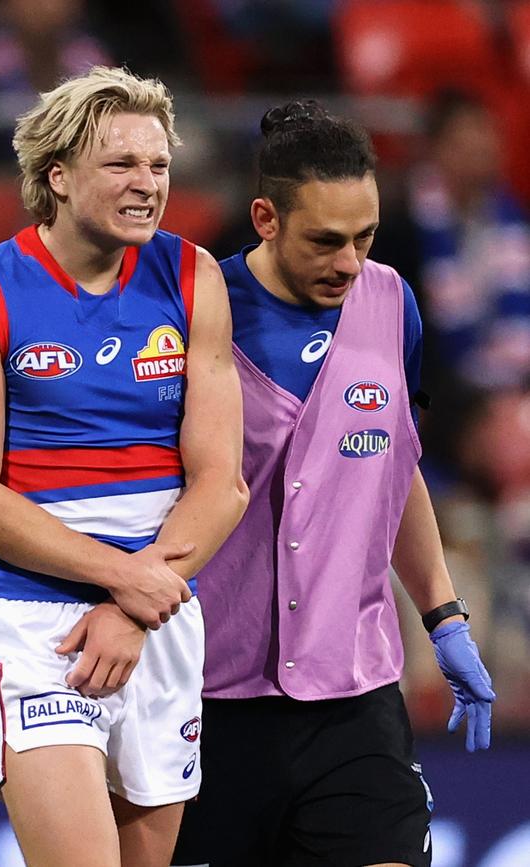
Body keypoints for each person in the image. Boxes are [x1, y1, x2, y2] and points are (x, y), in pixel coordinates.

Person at [0, 65, 248, 867]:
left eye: (159, 165)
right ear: (58, 177)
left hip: (161, 617)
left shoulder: (193, 275)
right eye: (122, 165)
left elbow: (223, 482)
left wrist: (137, 606)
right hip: (39, 626)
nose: (148, 184)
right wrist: (123, 581)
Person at [172, 100, 495, 867]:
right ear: (265, 218)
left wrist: (444, 616)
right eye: (326, 239)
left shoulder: (392, 303)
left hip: (354, 700)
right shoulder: (193, 316)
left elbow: (394, 468)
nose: (350, 262)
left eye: (366, 237)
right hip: (207, 703)